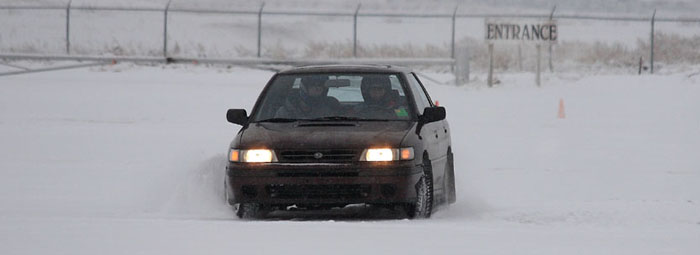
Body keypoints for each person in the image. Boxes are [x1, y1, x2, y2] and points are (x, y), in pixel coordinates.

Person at [274, 75, 341, 119]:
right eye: (313, 85)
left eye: (320, 85)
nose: (318, 88)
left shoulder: (329, 109)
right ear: (304, 88)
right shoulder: (286, 110)